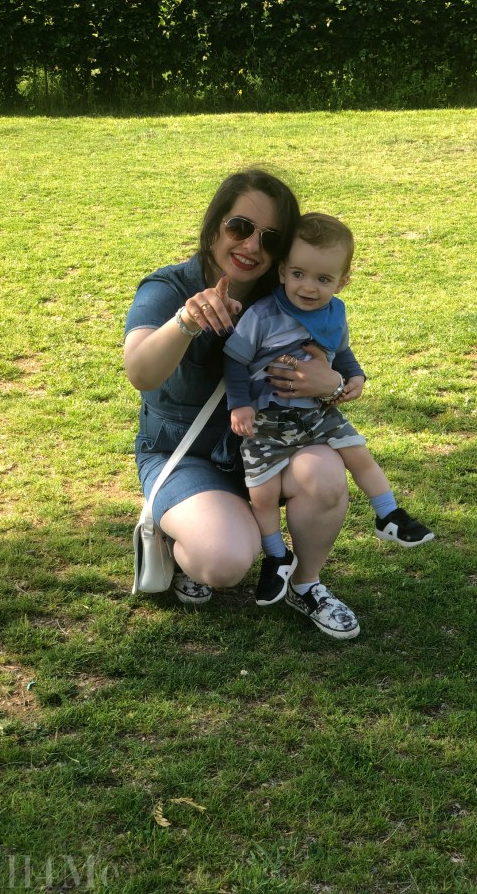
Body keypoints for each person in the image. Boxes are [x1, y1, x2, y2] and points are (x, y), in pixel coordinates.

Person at [123, 170, 361, 640]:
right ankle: (186, 538)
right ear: (214, 226)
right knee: (226, 560)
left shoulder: (291, 294)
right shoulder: (168, 288)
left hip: (268, 447)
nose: (252, 245)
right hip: (186, 455)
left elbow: (338, 362)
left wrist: (332, 382)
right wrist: (186, 321)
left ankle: (306, 584)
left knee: (327, 473)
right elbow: (141, 371)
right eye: (239, 227)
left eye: (269, 237)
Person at [224, 212, 434, 606]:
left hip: (316, 412)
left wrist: (354, 376)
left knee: (358, 452)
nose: (309, 287)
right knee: (262, 491)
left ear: (342, 282)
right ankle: (276, 555)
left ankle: (388, 514)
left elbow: (342, 350)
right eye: (300, 274)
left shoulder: (334, 312)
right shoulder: (264, 315)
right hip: (266, 419)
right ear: (283, 271)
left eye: (323, 279)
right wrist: (240, 406)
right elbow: (235, 361)